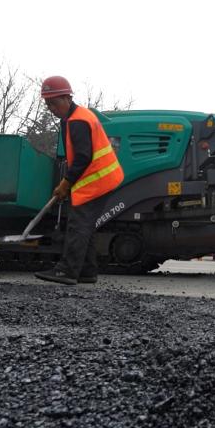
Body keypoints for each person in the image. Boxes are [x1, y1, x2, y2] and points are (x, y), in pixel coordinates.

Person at [34, 76, 125, 286]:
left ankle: (67, 271)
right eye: (47, 104)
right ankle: (86, 271)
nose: (51, 108)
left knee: (78, 225)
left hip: (98, 179)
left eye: (54, 103)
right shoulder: (75, 117)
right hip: (100, 178)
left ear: (67, 98)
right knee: (86, 225)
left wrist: (65, 183)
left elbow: (83, 157)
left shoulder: (78, 121)